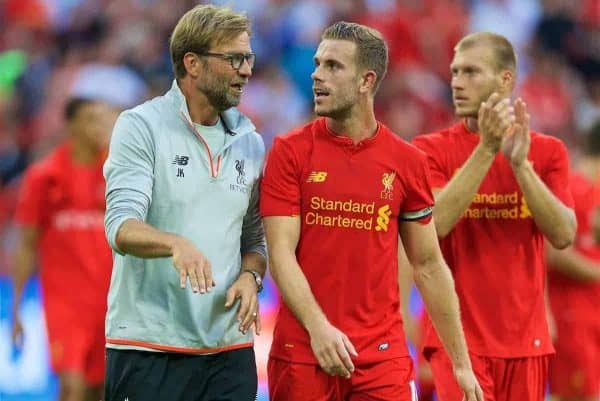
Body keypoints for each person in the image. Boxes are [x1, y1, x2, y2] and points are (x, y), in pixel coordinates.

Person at [260, 21, 483, 401]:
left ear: (366, 81)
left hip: (381, 360)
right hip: (304, 353)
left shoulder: (406, 161)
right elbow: (280, 254)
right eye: (317, 64)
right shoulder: (289, 151)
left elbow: (428, 264)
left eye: (333, 66)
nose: (316, 75)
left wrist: (460, 363)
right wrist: (319, 328)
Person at [102, 5, 266, 401]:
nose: (246, 70)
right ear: (192, 63)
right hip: (150, 346)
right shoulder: (141, 126)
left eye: (249, 58)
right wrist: (175, 243)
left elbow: (254, 238)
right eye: (234, 58)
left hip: (229, 349)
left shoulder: (251, 141)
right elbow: (120, 226)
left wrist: (252, 277)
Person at [412, 32, 576, 401]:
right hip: (458, 342)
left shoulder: (548, 152)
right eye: (455, 72)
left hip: (526, 342)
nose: (456, 82)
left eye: (471, 72)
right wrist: (487, 150)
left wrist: (520, 165)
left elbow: (564, 233)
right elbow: (434, 223)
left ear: (505, 79)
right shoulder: (428, 150)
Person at [11, 97, 113, 401]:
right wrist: (16, 308)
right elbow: (27, 245)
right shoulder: (44, 177)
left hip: (110, 303)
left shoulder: (116, 172)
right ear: (71, 126)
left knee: (101, 390)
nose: (100, 127)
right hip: (65, 305)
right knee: (73, 388)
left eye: (103, 119)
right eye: (92, 119)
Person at [546, 121, 600, 401]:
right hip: (571, 316)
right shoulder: (570, 189)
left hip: (593, 312)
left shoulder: (595, 190)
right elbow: (554, 254)